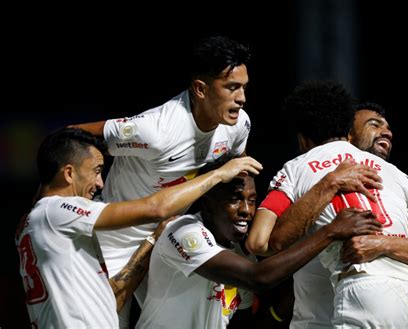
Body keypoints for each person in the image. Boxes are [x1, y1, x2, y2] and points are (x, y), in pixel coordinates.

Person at [69, 35, 254, 324]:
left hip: (170, 240)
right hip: (115, 243)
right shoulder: (155, 131)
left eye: (243, 87)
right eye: (232, 88)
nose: (241, 98)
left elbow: (239, 179)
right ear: (200, 89)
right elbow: (69, 137)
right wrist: (52, 201)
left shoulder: (238, 125)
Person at [247, 81, 408, 328]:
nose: (386, 131)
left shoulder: (296, 168)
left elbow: (261, 242)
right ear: (348, 132)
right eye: (374, 124)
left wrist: (329, 187)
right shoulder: (389, 171)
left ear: (302, 139)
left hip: (354, 294)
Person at [15, 127, 263, 328]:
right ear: (68, 173)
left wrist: (151, 242)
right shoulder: (55, 211)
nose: (101, 184)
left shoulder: (48, 227)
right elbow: (154, 208)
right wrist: (218, 175)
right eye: (97, 171)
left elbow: (111, 299)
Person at [135, 163, 384, 329]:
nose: (246, 211)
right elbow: (257, 278)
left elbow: (246, 317)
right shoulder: (185, 232)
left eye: (252, 201)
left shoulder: (241, 253)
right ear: (208, 204)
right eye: (235, 200)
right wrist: (330, 232)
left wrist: (289, 301)